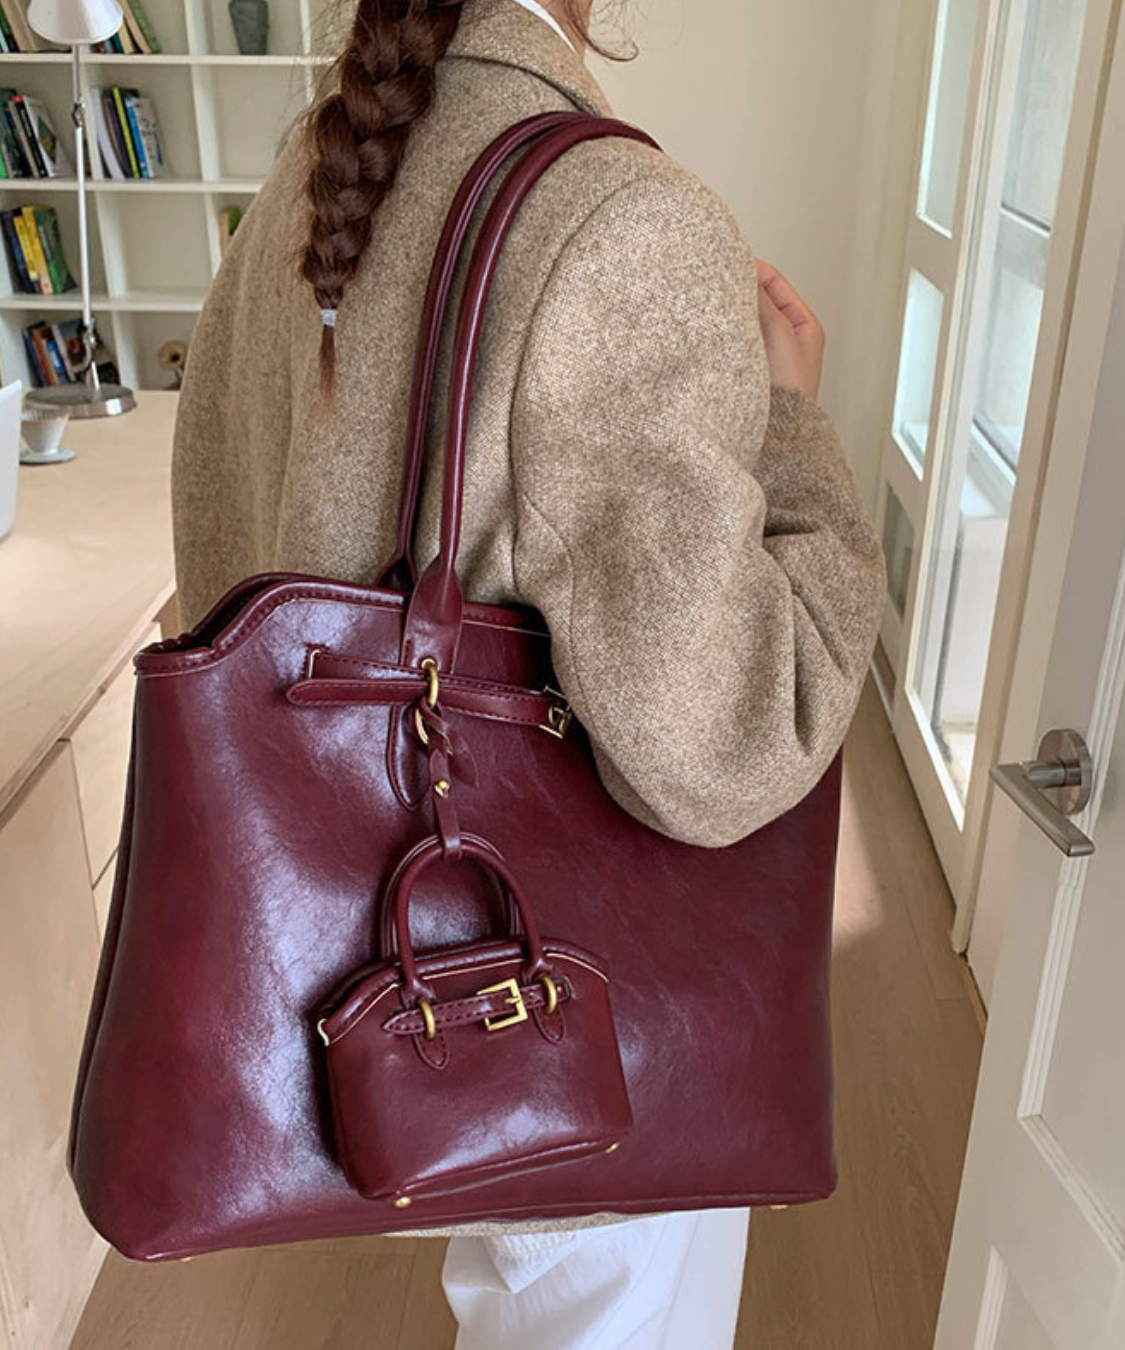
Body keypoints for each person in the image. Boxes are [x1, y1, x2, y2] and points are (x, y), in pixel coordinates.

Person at [171, 0, 887, 1344]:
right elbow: (733, 743)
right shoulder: (620, 218)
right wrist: (793, 429)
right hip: (566, 1017)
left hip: (356, 971)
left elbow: (230, 566)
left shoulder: (314, 171)